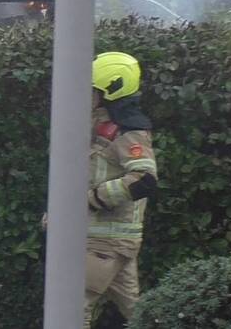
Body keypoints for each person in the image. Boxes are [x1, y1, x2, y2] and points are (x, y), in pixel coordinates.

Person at [84, 52, 158, 328]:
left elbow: (144, 178)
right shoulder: (99, 123)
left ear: (110, 91)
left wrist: (92, 200)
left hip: (105, 240)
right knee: (138, 314)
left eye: (94, 90)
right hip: (110, 239)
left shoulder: (130, 131)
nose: (88, 95)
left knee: (72, 307)